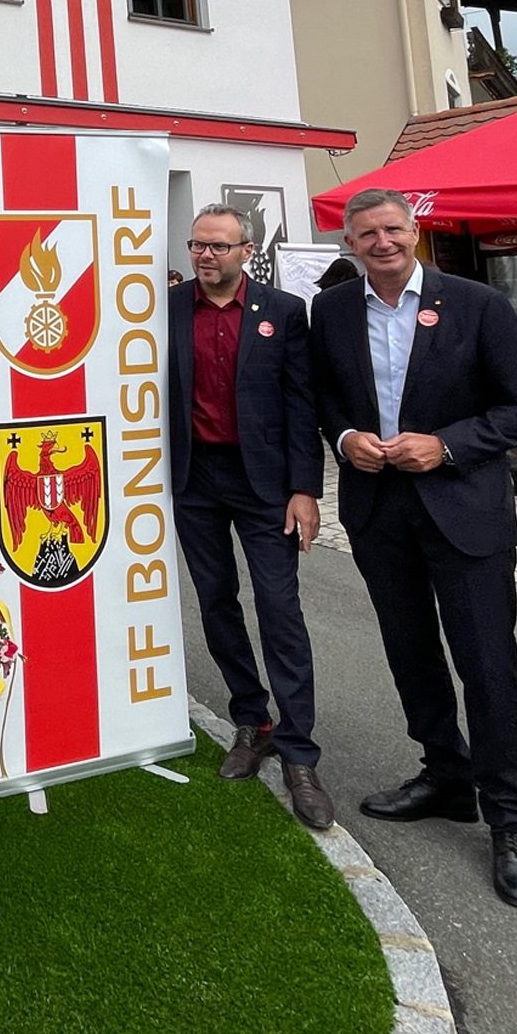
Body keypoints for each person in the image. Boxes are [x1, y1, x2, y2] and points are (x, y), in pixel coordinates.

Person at [310, 190, 517, 909]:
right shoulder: (331, 310)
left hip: (465, 513)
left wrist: (447, 445)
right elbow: (324, 395)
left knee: (486, 666)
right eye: (366, 234)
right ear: (349, 243)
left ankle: (511, 822)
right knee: (411, 652)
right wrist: (347, 438)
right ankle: (446, 778)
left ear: (414, 233)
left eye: (393, 230)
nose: (381, 242)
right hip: (380, 513)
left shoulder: (476, 304)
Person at [168, 205, 331, 829]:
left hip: (265, 485)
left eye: (219, 247)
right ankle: (252, 721)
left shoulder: (283, 314)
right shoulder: (169, 310)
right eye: (198, 246)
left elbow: (300, 404)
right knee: (215, 601)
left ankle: (299, 752)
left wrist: (304, 490)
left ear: (247, 250)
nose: (206, 256)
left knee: (280, 609)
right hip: (196, 479)